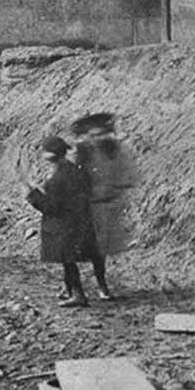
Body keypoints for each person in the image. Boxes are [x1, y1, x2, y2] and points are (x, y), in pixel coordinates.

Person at [26, 135, 98, 308]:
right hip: (79, 221)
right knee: (68, 260)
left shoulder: (58, 179)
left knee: (68, 261)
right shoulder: (75, 171)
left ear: (50, 156)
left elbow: (51, 207)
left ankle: (78, 294)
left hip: (63, 226)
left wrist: (32, 195)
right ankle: (69, 290)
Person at [72, 113, 136, 301]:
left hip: (106, 207)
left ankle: (102, 284)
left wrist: (118, 189)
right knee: (77, 248)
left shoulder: (114, 150)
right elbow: (76, 178)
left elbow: (127, 175)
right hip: (86, 206)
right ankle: (71, 286)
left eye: (101, 134)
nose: (97, 139)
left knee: (101, 251)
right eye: (93, 135)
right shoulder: (82, 152)